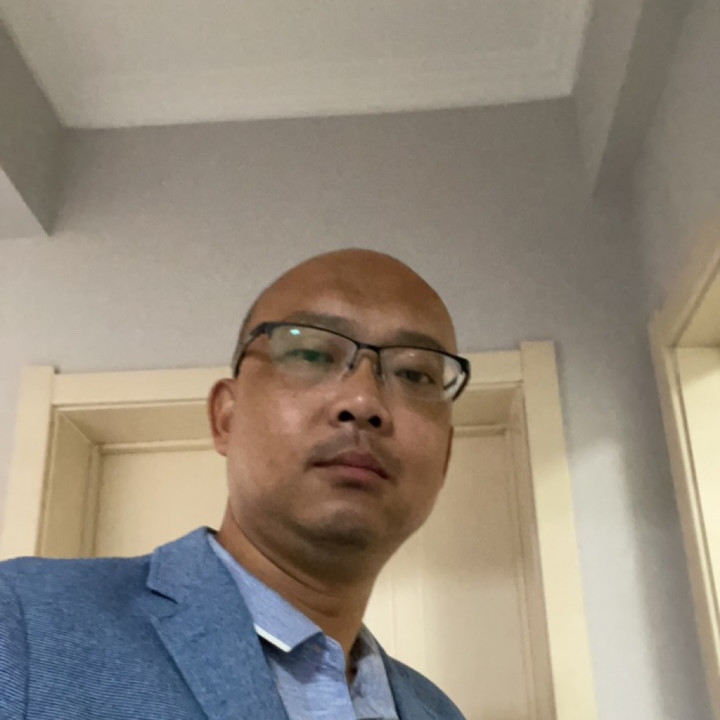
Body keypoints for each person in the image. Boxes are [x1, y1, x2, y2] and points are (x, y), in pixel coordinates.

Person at [0, 249, 471, 720]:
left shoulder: (439, 711)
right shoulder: (22, 622)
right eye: (310, 353)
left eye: (415, 373)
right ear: (225, 417)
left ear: (445, 459)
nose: (364, 400)